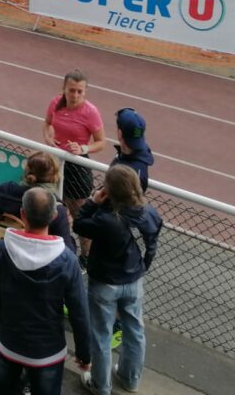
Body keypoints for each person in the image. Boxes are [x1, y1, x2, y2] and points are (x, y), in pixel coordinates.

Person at [0, 187, 91, 395]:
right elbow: (79, 312)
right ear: (54, 216)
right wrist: (84, 354)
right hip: (47, 352)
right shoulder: (67, 260)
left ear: (23, 214)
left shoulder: (2, 249)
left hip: (6, 343)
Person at [73, 165, 163, 395]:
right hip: (133, 279)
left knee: (101, 334)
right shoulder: (150, 213)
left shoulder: (106, 218)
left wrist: (93, 202)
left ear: (109, 192)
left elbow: (79, 224)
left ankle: (100, 385)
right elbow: (151, 245)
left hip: (104, 281)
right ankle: (130, 378)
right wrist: (144, 266)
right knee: (135, 329)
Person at [42, 69, 107, 241]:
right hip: (55, 162)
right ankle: (52, 244)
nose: (75, 95)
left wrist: (82, 149)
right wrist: (48, 137)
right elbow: (47, 123)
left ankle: (85, 257)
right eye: (71, 90)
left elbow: (101, 142)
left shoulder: (91, 112)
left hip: (77, 167)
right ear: (63, 88)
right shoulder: (55, 103)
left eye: (80, 91)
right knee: (51, 209)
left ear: (85, 92)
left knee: (79, 216)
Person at [0, 152, 75, 253]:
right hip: (37, 263)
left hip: (2, 255)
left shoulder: (5, 191)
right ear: (54, 177)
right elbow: (67, 251)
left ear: (27, 171)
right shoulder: (56, 208)